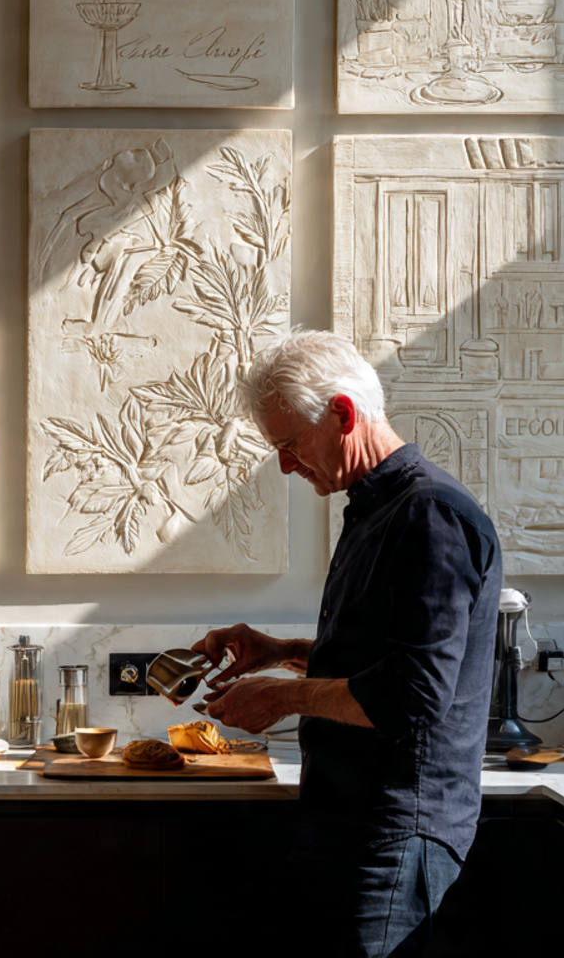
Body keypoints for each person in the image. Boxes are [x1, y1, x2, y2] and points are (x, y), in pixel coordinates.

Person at [193, 329, 502, 957]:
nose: (283, 464)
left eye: (289, 444)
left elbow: (412, 695)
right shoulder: (377, 510)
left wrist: (282, 700)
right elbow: (383, 658)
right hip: (349, 823)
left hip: (393, 830)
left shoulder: (430, 514)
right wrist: (278, 649)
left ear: (341, 413)